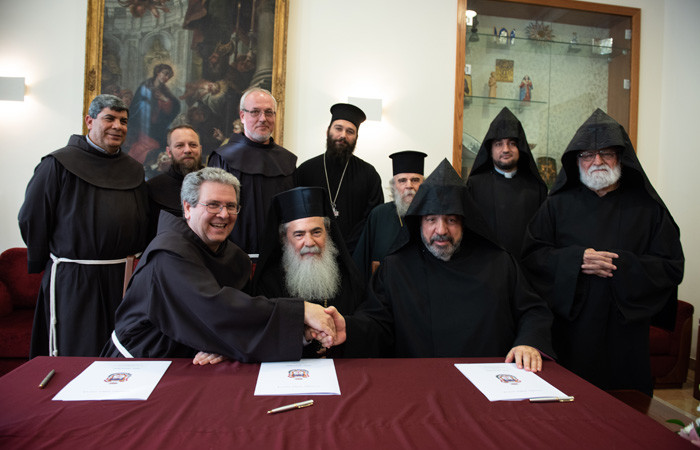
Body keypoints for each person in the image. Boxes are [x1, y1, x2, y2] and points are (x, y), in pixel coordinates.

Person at [327, 160, 554, 371]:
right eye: (431, 219)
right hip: (420, 381)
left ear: (465, 222)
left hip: (488, 382)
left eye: (451, 220)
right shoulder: (396, 268)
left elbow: (532, 311)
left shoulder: (499, 263)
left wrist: (528, 342)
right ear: (418, 222)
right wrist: (349, 328)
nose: (442, 230)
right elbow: (377, 323)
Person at [521, 109, 684, 395]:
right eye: (587, 154)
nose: (597, 161)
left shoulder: (648, 209)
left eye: (606, 153)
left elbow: (671, 267)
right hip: (571, 330)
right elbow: (532, 257)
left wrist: (620, 264)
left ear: (621, 157)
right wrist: (576, 260)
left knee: (626, 415)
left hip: (626, 333)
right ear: (577, 160)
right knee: (570, 406)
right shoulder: (556, 206)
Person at [102, 168, 337, 362]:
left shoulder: (236, 257)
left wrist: (224, 344)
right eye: (213, 205)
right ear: (187, 207)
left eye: (231, 206)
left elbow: (237, 320)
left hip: (197, 364)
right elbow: (215, 310)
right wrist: (301, 311)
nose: (224, 214)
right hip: (143, 364)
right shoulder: (168, 254)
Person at [19, 94, 149, 357]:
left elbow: (143, 217)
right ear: (89, 121)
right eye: (109, 118)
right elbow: (32, 216)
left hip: (119, 276)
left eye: (123, 121)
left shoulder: (134, 169)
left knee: (117, 348)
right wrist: (44, 259)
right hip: (74, 275)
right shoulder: (58, 164)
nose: (117, 126)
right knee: (75, 348)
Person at [252, 186, 365, 357]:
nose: (309, 242)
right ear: (284, 239)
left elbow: (368, 324)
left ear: (327, 233)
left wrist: (344, 325)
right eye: (299, 234)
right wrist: (305, 334)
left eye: (316, 232)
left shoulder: (346, 275)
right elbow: (261, 336)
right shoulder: (269, 281)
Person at [208, 87, 296, 257]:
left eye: (269, 112)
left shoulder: (287, 161)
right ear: (242, 116)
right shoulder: (222, 158)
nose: (263, 118)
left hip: (277, 259)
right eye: (255, 112)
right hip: (231, 257)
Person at [295, 103, 383, 254]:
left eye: (350, 131)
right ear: (328, 131)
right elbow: (296, 215)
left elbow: (372, 220)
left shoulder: (369, 174)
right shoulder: (305, 170)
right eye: (338, 128)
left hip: (355, 256)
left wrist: (349, 248)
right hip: (312, 252)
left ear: (356, 137)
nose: (343, 135)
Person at [466, 107, 547, 259]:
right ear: (490, 150)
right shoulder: (474, 186)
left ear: (520, 148)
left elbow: (543, 237)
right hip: (487, 267)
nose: (505, 149)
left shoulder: (536, 188)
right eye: (498, 144)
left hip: (527, 269)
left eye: (512, 143)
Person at [353, 150, 427, 283]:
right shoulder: (379, 215)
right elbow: (360, 265)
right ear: (394, 186)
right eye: (402, 180)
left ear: (424, 185)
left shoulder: (432, 217)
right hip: (381, 297)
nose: (409, 186)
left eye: (415, 180)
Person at [146, 125, 204, 240]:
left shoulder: (214, 185)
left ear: (200, 149)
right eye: (180, 145)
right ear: (169, 151)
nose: (187, 150)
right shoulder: (152, 188)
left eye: (193, 145)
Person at [126, 64, 181, 164]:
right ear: (157, 72)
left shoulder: (164, 90)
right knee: (142, 147)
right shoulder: (145, 87)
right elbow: (136, 106)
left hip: (157, 127)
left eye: (169, 76)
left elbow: (175, 106)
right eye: (165, 74)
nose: (166, 78)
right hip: (141, 125)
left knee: (154, 146)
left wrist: (164, 100)